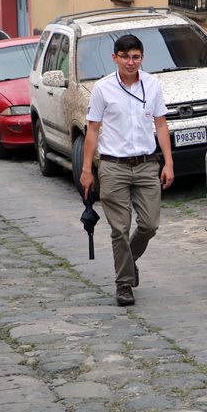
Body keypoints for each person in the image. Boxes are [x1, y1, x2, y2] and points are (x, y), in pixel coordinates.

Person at [80, 33, 174, 306]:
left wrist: (168, 162)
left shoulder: (153, 85)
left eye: (135, 57)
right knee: (119, 228)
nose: (131, 62)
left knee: (149, 225)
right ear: (115, 58)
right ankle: (124, 284)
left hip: (146, 165)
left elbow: (161, 124)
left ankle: (128, 262)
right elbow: (93, 130)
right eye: (125, 57)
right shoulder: (102, 89)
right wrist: (87, 169)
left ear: (141, 58)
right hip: (113, 167)